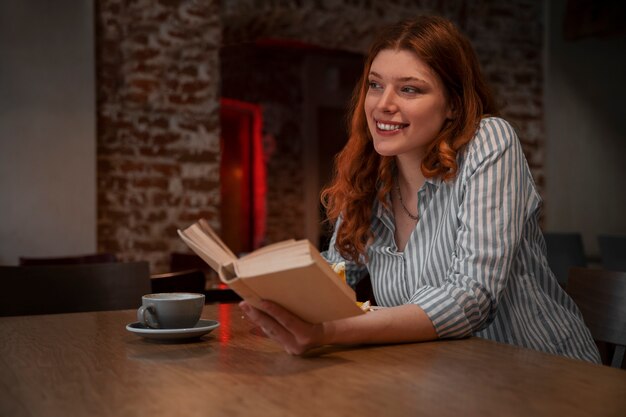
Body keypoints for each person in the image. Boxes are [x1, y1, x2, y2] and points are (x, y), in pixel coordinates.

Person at [239, 15, 601, 363]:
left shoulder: (489, 141)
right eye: (376, 85)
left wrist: (330, 331)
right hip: (444, 379)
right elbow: (335, 278)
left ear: (453, 106)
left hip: (545, 375)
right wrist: (276, 296)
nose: (384, 104)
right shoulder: (371, 174)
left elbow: (470, 298)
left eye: (409, 89)